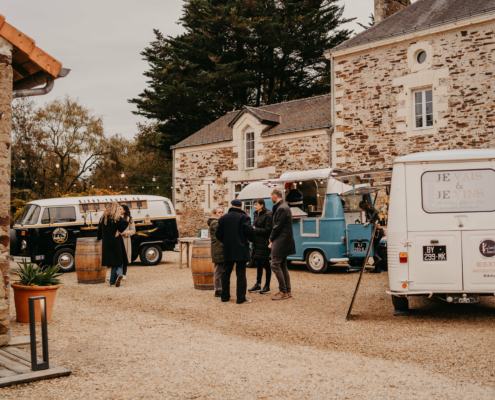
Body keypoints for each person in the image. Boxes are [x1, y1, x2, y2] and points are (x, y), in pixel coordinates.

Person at [215, 199, 255, 304]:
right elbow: (250, 231)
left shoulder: (223, 218)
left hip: (228, 248)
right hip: (241, 248)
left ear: (231, 206)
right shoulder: (244, 217)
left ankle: (225, 297)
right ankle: (240, 298)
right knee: (241, 273)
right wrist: (249, 239)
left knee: (226, 272)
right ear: (241, 207)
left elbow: (218, 234)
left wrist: (225, 241)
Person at [269, 189, 296, 300]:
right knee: (283, 266)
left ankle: (283, 291)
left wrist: (271, 238)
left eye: (271, 196)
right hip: (285, 240)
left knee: (275, 265)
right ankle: (287, 291)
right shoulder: (284, 207)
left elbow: (277, 226)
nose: (271, 198)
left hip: (281, 240)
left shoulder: (281, 208)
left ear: (275, 196)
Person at [97, 202, 129, 287]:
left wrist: (99, 238)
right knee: (119, 260)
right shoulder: (117, 218)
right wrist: (119, 230)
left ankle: (112, 281)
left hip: (107, 243)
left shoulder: (103, 218)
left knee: (114, 262)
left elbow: (99, 230)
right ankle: (120, 273)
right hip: (117, 241)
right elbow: (126, 222)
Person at [248, 198, 273, 294]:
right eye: (254, 204)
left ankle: (267, 286)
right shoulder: (256, 214)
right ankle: (258, 284)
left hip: (264, 243)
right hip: (256, 243)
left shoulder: (268, 214)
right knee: (258, 264)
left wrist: (255, 229)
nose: (254, 206)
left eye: (256, 204)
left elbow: (268, 230)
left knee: (266, 264)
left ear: (262, 205)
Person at [359, 200, 383, 273]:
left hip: (377, 232)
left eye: (360, 207)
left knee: (372, 248)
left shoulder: (371, 209)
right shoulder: (368, 211)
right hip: (377, 232)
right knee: (374, 248)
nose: (360, 209)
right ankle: (377, 268)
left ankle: (378, 259)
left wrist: (369, 221)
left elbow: (375, 212)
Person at [208, 207, 225, 298]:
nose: (221, 214)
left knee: (221, 269)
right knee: (218, 270)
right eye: (219, 212)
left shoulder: (218, 222)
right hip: (218, 248)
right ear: (215, 213)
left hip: (220, 248)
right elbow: (223, 232)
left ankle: (220, 288)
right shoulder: (215, 223)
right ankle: (218, 289)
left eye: (222, 212)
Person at [120, 204, 136, 279]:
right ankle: (116, 274)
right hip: (117, 239)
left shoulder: (129, 219)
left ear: (124, 210)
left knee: (125, 256)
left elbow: (133, 230)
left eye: (120, 209)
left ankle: (124, 274)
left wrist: (126, 233)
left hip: (125, 239)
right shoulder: (116, 218)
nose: (119, 210)